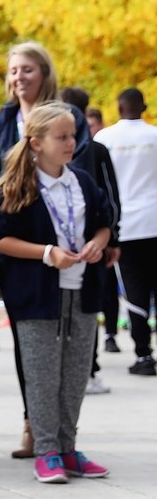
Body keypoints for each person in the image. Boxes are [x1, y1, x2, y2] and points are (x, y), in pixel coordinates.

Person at [0, 41, 91, 457]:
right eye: (13, 71)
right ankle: (36, 428)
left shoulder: (69, 120)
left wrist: (102, 236)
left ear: (44, 72)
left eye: (27, 69)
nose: (19, 77)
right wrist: (3, 202)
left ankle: (58, 436)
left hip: (73, 254)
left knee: (71, 358)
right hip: (24, 244)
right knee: (34, 347)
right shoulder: (0, 125)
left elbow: (88, 178)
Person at [0, 102, 112, 483]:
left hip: (82, 292)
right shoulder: (18, 186)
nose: (71, 142)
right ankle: (47, 451)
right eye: (62, 137)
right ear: (36, 143)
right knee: (42, 378)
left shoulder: (82, 182)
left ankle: (68, 448)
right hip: (37, 295)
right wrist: (45, 253)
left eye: (72, 135)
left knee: (74, 377)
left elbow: (105, 224)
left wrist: (98, 244)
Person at [59, 86, 123, 392]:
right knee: (83, 303)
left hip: (90, 240)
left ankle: (88, 365)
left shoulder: (94, 150)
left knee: (86, 303)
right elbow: (112, 196)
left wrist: (111, 236)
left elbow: (109, 194)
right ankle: (86, 366)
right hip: (73, 241)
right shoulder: (92, 149)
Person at [93, 87, 157, 377]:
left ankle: (143, 353)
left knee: (134, 290)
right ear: (143, 106)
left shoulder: (105, 139)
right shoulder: (154, 136)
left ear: (118, 108)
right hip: (154, 221)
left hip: (127, 226)